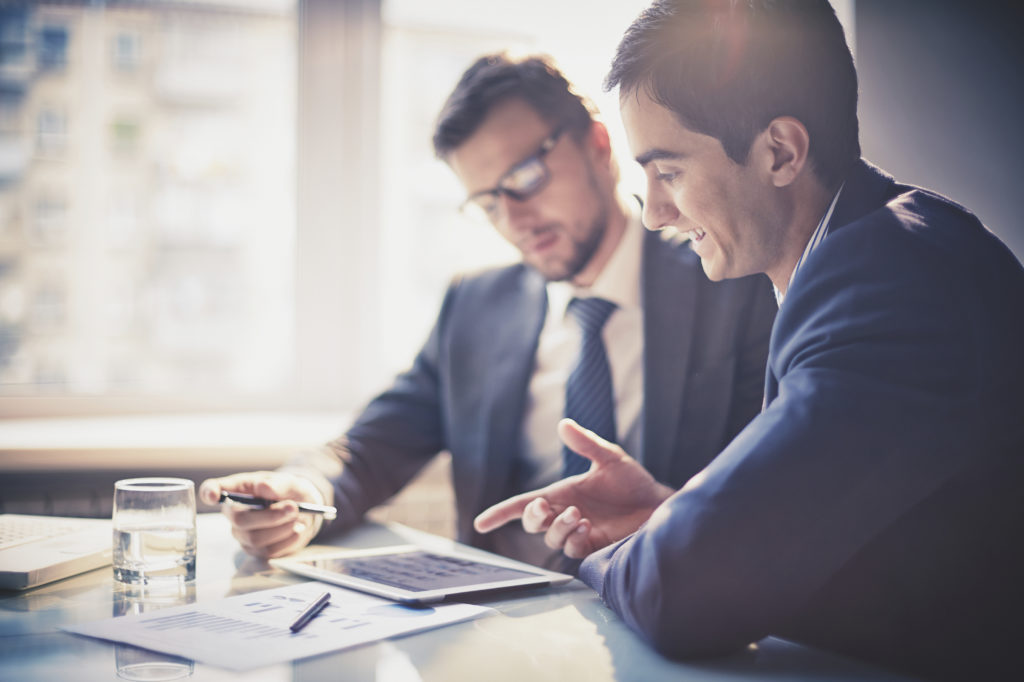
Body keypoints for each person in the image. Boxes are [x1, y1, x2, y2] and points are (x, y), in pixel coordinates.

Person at [473, 2, 1024, 679]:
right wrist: (668, 515)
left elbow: (681, 591)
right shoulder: (875, 255)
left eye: (668, 171)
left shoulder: (893, 290)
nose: (653, 214)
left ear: (780, 152)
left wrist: (604, 558)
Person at [199, 53, 776, 570]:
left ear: (598, 146)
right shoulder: (476, 306)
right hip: (495, 625)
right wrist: (297, 493)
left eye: (523, 178)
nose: (514, 220)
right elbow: (369, 448)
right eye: (488, 203)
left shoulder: (729, 280)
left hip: (660, 613)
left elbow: (767, 500)